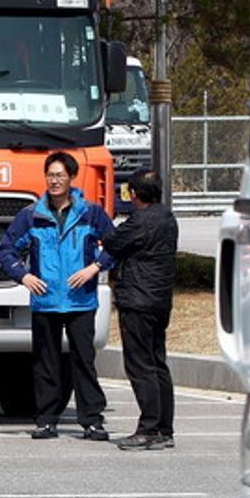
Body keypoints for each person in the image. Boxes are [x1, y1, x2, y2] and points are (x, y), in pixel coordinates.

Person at [0, 151, 115, 441]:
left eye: (60, 175)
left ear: (72, 177)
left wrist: (94, 268)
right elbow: (6, 249)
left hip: (80, 300)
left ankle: (92, 421)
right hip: (46, 301)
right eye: (50, 175)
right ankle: (46, 419)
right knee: (45, 363)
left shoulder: (90, 212)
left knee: (83, 361)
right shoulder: (31, 215)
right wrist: (23, 276)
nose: (54, 180)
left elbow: (115, 244)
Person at [101, 170, 179, 451]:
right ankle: (163, 428)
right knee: (157, 362)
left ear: (133, 193)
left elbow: (112, 241)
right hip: (159, 300)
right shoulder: (167, 217)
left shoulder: (140, 221)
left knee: (140, 364)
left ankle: (148, 428)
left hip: (138, 299)